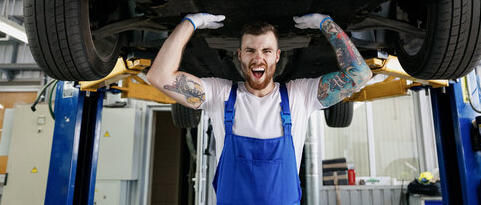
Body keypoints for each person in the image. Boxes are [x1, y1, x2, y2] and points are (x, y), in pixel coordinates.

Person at [147, 13, 372, 204]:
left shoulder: (299, 96)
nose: (258, 58)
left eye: (266, 50)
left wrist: (326, 23)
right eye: (250, 50)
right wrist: (190, 23)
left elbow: (359, 74)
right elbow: (159, 76)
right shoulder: (220, 95)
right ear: (239, 55)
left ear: (277, 56)